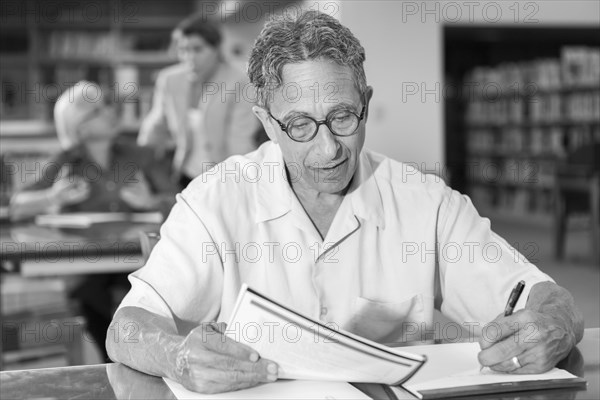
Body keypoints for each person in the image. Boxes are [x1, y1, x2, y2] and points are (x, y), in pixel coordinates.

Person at [107, 11, 584, 394]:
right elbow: (124, 330)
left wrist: (553, 323)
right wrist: (176, 355)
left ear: (366, 103)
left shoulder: (426, 203)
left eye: (342, 117)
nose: (328, 148)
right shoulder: (214, 202)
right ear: (267, 124)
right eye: (299, 125)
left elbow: (543, 295)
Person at [10, 81, 178, 360]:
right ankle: (115, 361)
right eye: (98, 111)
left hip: (137, 260)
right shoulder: (65, 163)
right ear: (81, 128)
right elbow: (17, 207)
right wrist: (52, 197)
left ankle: (130, 361)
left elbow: (185, 202)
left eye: (107, 105)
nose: (111, 112)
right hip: (88, 267)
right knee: (92, 293)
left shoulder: (141, 156)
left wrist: (150, 202)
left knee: (135, 294)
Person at [138, 13, 261, 188]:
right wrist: (138, 161)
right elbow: (156, 125)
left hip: (225, 176)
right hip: (185, 175)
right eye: (183, 50)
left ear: (216, 49)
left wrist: (235, 186)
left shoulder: (239, 81)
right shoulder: (170, 80)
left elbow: (239, 141)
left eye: (197, 49)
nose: (190, 57)